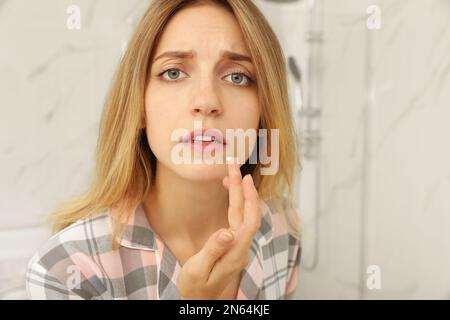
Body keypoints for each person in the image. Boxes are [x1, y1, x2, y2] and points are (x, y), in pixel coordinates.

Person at [25, 0, 302, 300]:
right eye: (173, 73)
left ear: (264, 114)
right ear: (139, 106)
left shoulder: (281, 231)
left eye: (237, 76)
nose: (206, 100)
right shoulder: (66, 269)